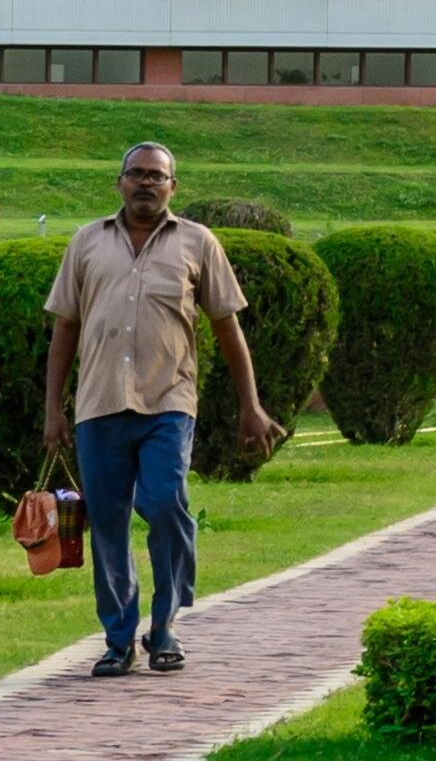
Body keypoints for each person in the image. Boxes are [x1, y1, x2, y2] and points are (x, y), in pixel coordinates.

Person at [37, 141, 285, 680]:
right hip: (99, 403)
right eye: (136, 173)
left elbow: (227, 327)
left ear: (173, 186)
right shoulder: (87, 242)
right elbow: (65, 328)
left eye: (156, 175)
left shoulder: (197, 242)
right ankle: (118, 640)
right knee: (107, 522)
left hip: (169, 402)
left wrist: (251, 406)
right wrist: (53, 410)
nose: (145, 183)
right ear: (120, 182)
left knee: (165, 503)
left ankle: (165, 624)